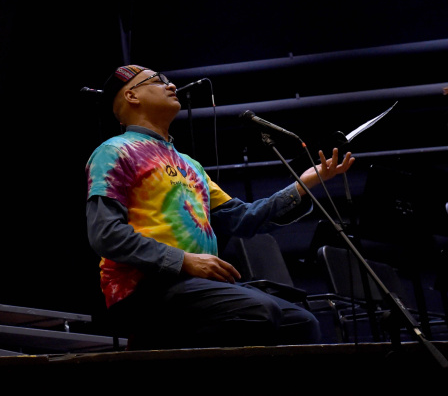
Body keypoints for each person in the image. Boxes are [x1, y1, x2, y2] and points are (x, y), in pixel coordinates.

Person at [85, 65, 355, 349]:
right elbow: (106, 234)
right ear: (131, 95)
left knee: (301, 323)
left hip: (194, 288)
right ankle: (153, 346)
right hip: (146, 288)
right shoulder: (115, 151)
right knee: (259, 311)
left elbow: (243, 218)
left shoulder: (191, 165)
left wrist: (303, 184)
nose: (172, 85)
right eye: (158, 80)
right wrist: (184, 260)